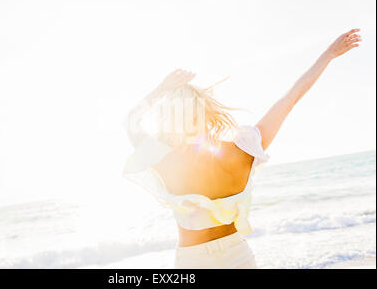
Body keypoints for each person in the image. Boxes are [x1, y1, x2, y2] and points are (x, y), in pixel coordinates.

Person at [123, 29, 361, 268]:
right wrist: (328, 55)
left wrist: (161, 89)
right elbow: (290, 99)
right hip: (237, 255)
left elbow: (131, 120)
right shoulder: (242, 149)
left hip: (194, 260)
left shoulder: (164, 160)